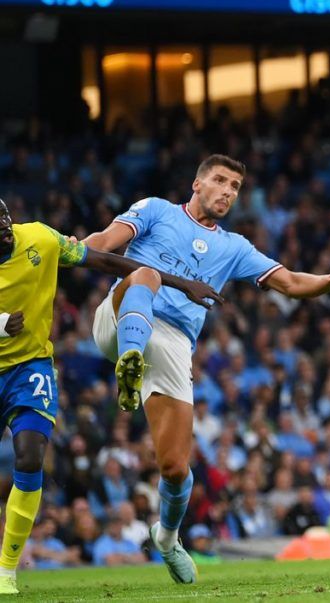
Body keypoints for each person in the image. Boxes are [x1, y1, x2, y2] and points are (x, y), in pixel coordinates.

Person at [81, 154, 330, 585]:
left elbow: (290, 282)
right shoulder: (156, 210)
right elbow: (104, 239)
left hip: (175, 344)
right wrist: (72, 247)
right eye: (220, 180)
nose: (227, 191)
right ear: (197, 184)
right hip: (123, 315)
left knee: (176, 468)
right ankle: (130, 359)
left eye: (235, 186)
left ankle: (166, 536)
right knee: (145, 274)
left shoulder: (234, 247)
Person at [0, 198, 218, 594]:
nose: (3, 224)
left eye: (4, 215)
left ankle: (6, 570)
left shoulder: (39, 239)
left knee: (31, 455)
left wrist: (176, 281)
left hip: (29, 367)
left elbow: (104, 261)